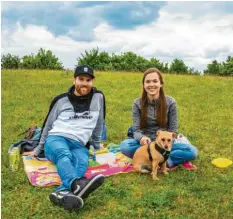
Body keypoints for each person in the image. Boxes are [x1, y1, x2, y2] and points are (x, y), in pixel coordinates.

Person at [24, 65, 106, 211]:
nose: (84, 83)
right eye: (81, 79)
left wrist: (97, 145)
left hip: (79, 144)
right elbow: (48, 126)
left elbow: (99, 122)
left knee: (81, 162)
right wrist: (37, 150)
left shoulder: (98, 97)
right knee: (64, 154)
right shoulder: (61, 100)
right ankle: (78, 184)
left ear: (92, 82)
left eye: (88, 80)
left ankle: (61, 194)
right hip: (56, 139)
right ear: (74, 80)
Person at [120, 67, 198, 171]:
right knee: (125, 146)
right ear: (144, 85)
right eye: (148, 82)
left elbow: (173, 130)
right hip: (146, 145)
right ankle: (161, 160)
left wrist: (163, 143)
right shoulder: (137, 104)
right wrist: (142, 138)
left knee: (192, 151)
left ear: (161, 83)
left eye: (155, 81)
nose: (151, 84)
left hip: (164, 144)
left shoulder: (171, 103)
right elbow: (136, 130)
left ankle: (161, 162)